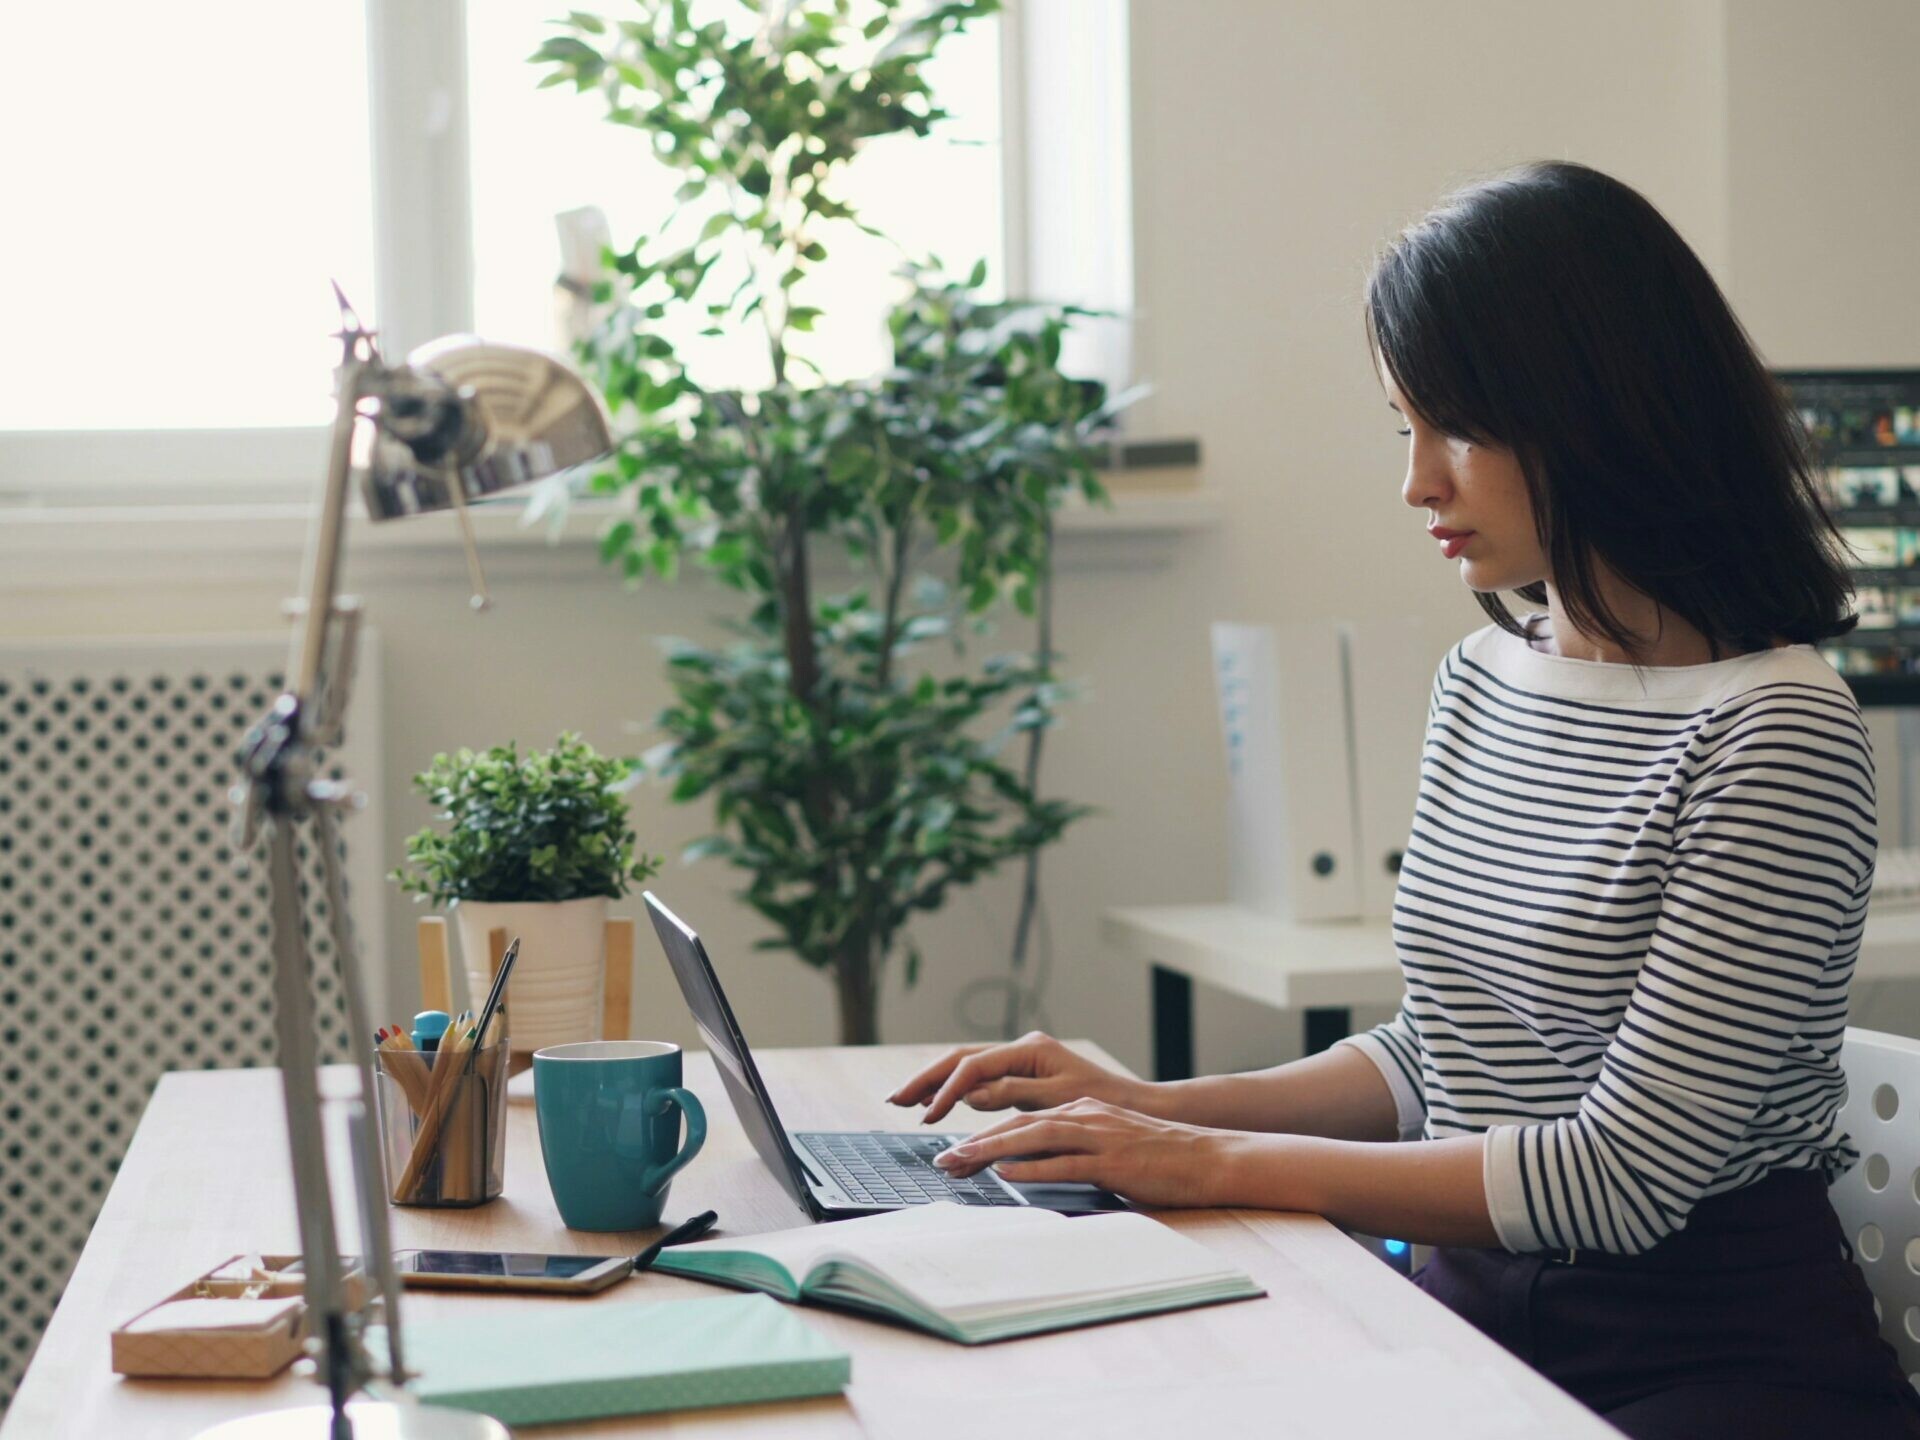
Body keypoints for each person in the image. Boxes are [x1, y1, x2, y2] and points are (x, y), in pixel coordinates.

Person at [888, 161, 1920, 1439]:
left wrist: (1205, 1166)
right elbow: (1445, 1055)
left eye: (1461, 430)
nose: (1419, 482)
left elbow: (1622, 1176)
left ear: (1602, 414)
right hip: (1465, 1319)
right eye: (1404, 428)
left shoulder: (1777, 728)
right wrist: (1144, 1107)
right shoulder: (1486, 678)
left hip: (1704, 1365)